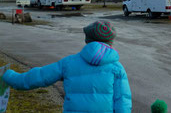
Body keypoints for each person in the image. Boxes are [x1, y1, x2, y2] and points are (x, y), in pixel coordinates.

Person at [1, 20, 132, 113]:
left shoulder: (69, 63)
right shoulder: (117, 68)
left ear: (88, 40)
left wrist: (10, 76)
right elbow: (123, 102)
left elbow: (40, 76)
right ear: (111, 42)